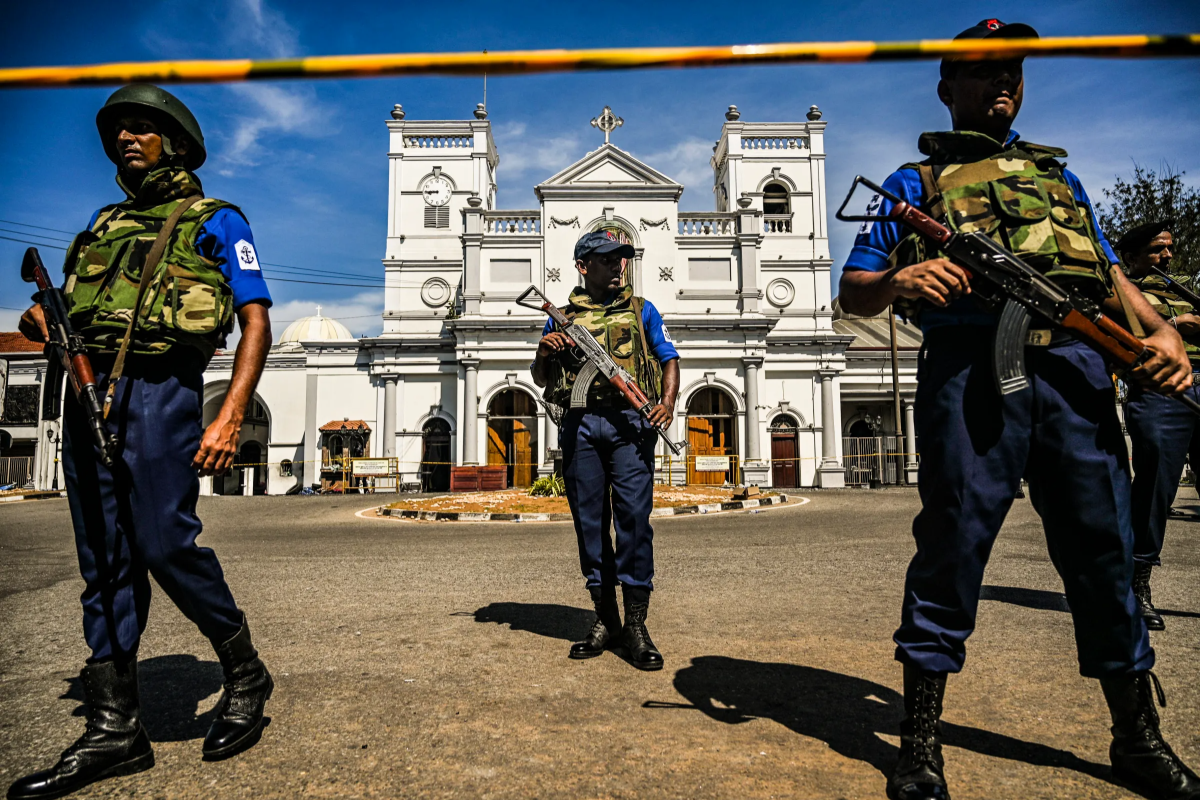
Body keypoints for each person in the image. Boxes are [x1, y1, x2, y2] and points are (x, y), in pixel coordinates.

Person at [837, 20, 1200, 800]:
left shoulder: (1062, 182)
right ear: (948, 88)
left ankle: (1137, 738)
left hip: (1074, 373)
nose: (1004, 81)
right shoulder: (914, 184)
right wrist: (901, 282)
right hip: (972, 373)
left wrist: (1160, 330)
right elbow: (853, 289)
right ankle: (920, 744)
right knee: (951, 547)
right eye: (985, 70)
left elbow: (1108, 275)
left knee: (1104, 550)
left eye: (1015, 70)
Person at [10, 84, 274, 799]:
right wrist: (41, 321)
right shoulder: (103, 225)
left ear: (177, 144)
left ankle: (244, 669)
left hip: (161, 393)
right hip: (87, 393)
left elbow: (255, 319)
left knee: (164, 544)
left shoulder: (216, 220)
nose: (127, 138)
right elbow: (65, 308)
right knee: (105, 560)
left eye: (142, 128)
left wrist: (230, 414)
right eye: (119, 129)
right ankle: (114, 729)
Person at [531, 231, 680, 670]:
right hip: (580, 427)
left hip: (630, 426)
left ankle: (635, 624)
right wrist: (545, 351)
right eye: (607, 258)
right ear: (583, 266)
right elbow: (540, 378)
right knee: (590, 524)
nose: (618, 265)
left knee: (634, 522)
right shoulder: (561, 318)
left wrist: (667, 403)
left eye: (622, 258)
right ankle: (605, 618)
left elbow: (669, 358)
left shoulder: (642, 310)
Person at [1118, 220, 1200, 632]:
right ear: (1131, 257)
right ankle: (1137, 583)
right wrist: (1175, 324)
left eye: (1169, 247)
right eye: (1156, 249)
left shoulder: (1184, 286)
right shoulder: (1121, 291)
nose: (1167, 255)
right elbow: (1118, 331)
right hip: (1160, 389)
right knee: (1154, 488)